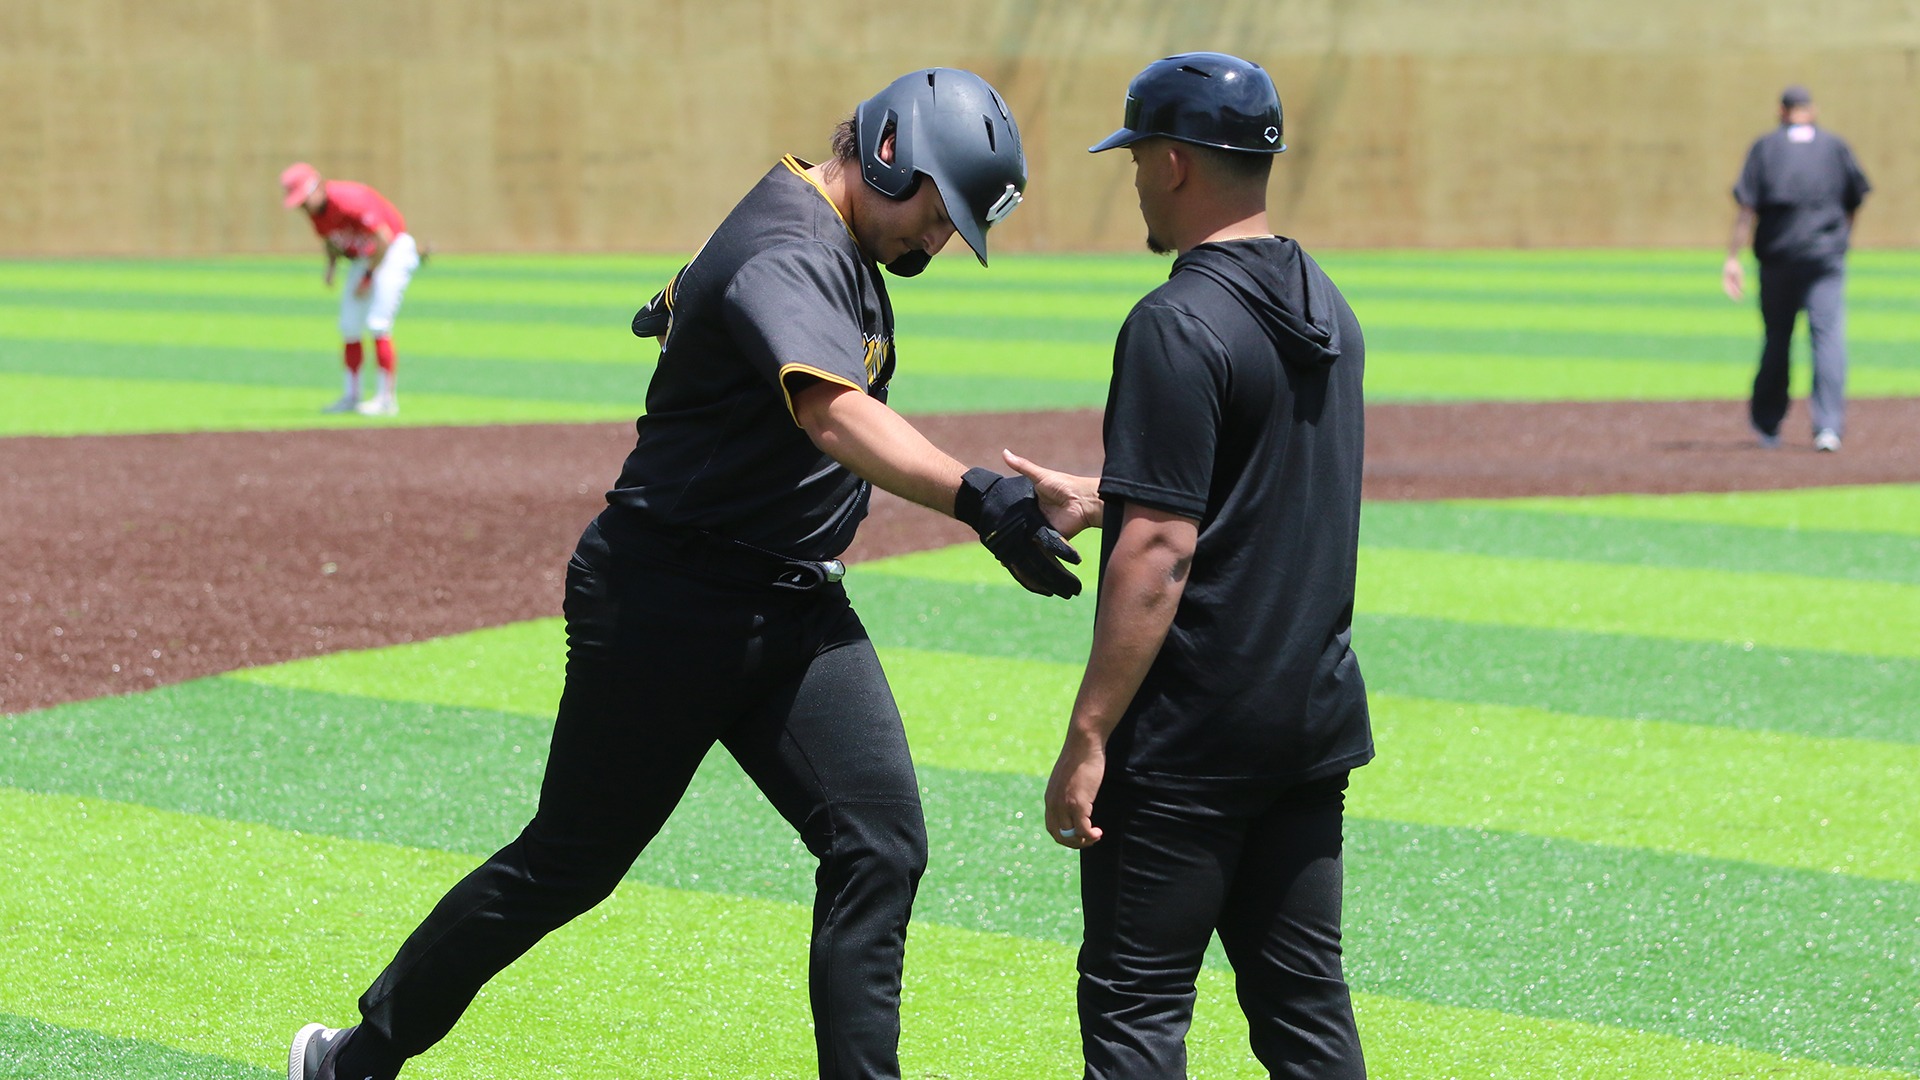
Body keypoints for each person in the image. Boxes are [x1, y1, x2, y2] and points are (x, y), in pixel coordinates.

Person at [286, 68, 1080, 1080]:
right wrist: (978, 498)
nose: (940, 241)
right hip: (667, 603)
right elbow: (831, 410)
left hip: (792, 607)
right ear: (889, 154)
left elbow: (724, 298)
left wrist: (680, 302)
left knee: (880, 846)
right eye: (939, 213)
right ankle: (358, 1057)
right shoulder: (789, 244)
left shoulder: (813, 232)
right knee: (569, 864)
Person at [1006, 52, 1372, 1079]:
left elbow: (1162, 556)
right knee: (1303, 1009)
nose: (1131, 180)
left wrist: (1088, 735)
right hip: (1306, 722)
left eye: (1133, 160)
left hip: (1189, 738)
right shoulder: (1329, 309)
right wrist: (1110, 494)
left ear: (1171, 162)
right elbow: (1261, 491)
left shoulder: (1175, 321)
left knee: (1135, 1014)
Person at [1722, 84, 1871, 452]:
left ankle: (1768, 425)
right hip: (1825, 258)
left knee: (1777, 339)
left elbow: (1746, 208)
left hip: (1778, 259)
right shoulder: (1835, 146)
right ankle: (1828, 428)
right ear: (1812, 109)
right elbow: (1855, 199)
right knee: (1827, 337)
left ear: (1781, 110)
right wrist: (1841, 240)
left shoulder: (1765, 147)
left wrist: (1732, 257)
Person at [280, 163, 421, 416]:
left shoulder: (348, 200)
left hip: (392, 251)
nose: (301, 206)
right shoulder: (316, 213)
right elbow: (332, 241)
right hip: (366, 256)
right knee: (349, 326)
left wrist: (368, 276)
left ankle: (386, 399)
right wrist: (331, 267)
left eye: (303, 199)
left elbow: (383, 238)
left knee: (378, 323)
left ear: (317, 187)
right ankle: (351, 396)